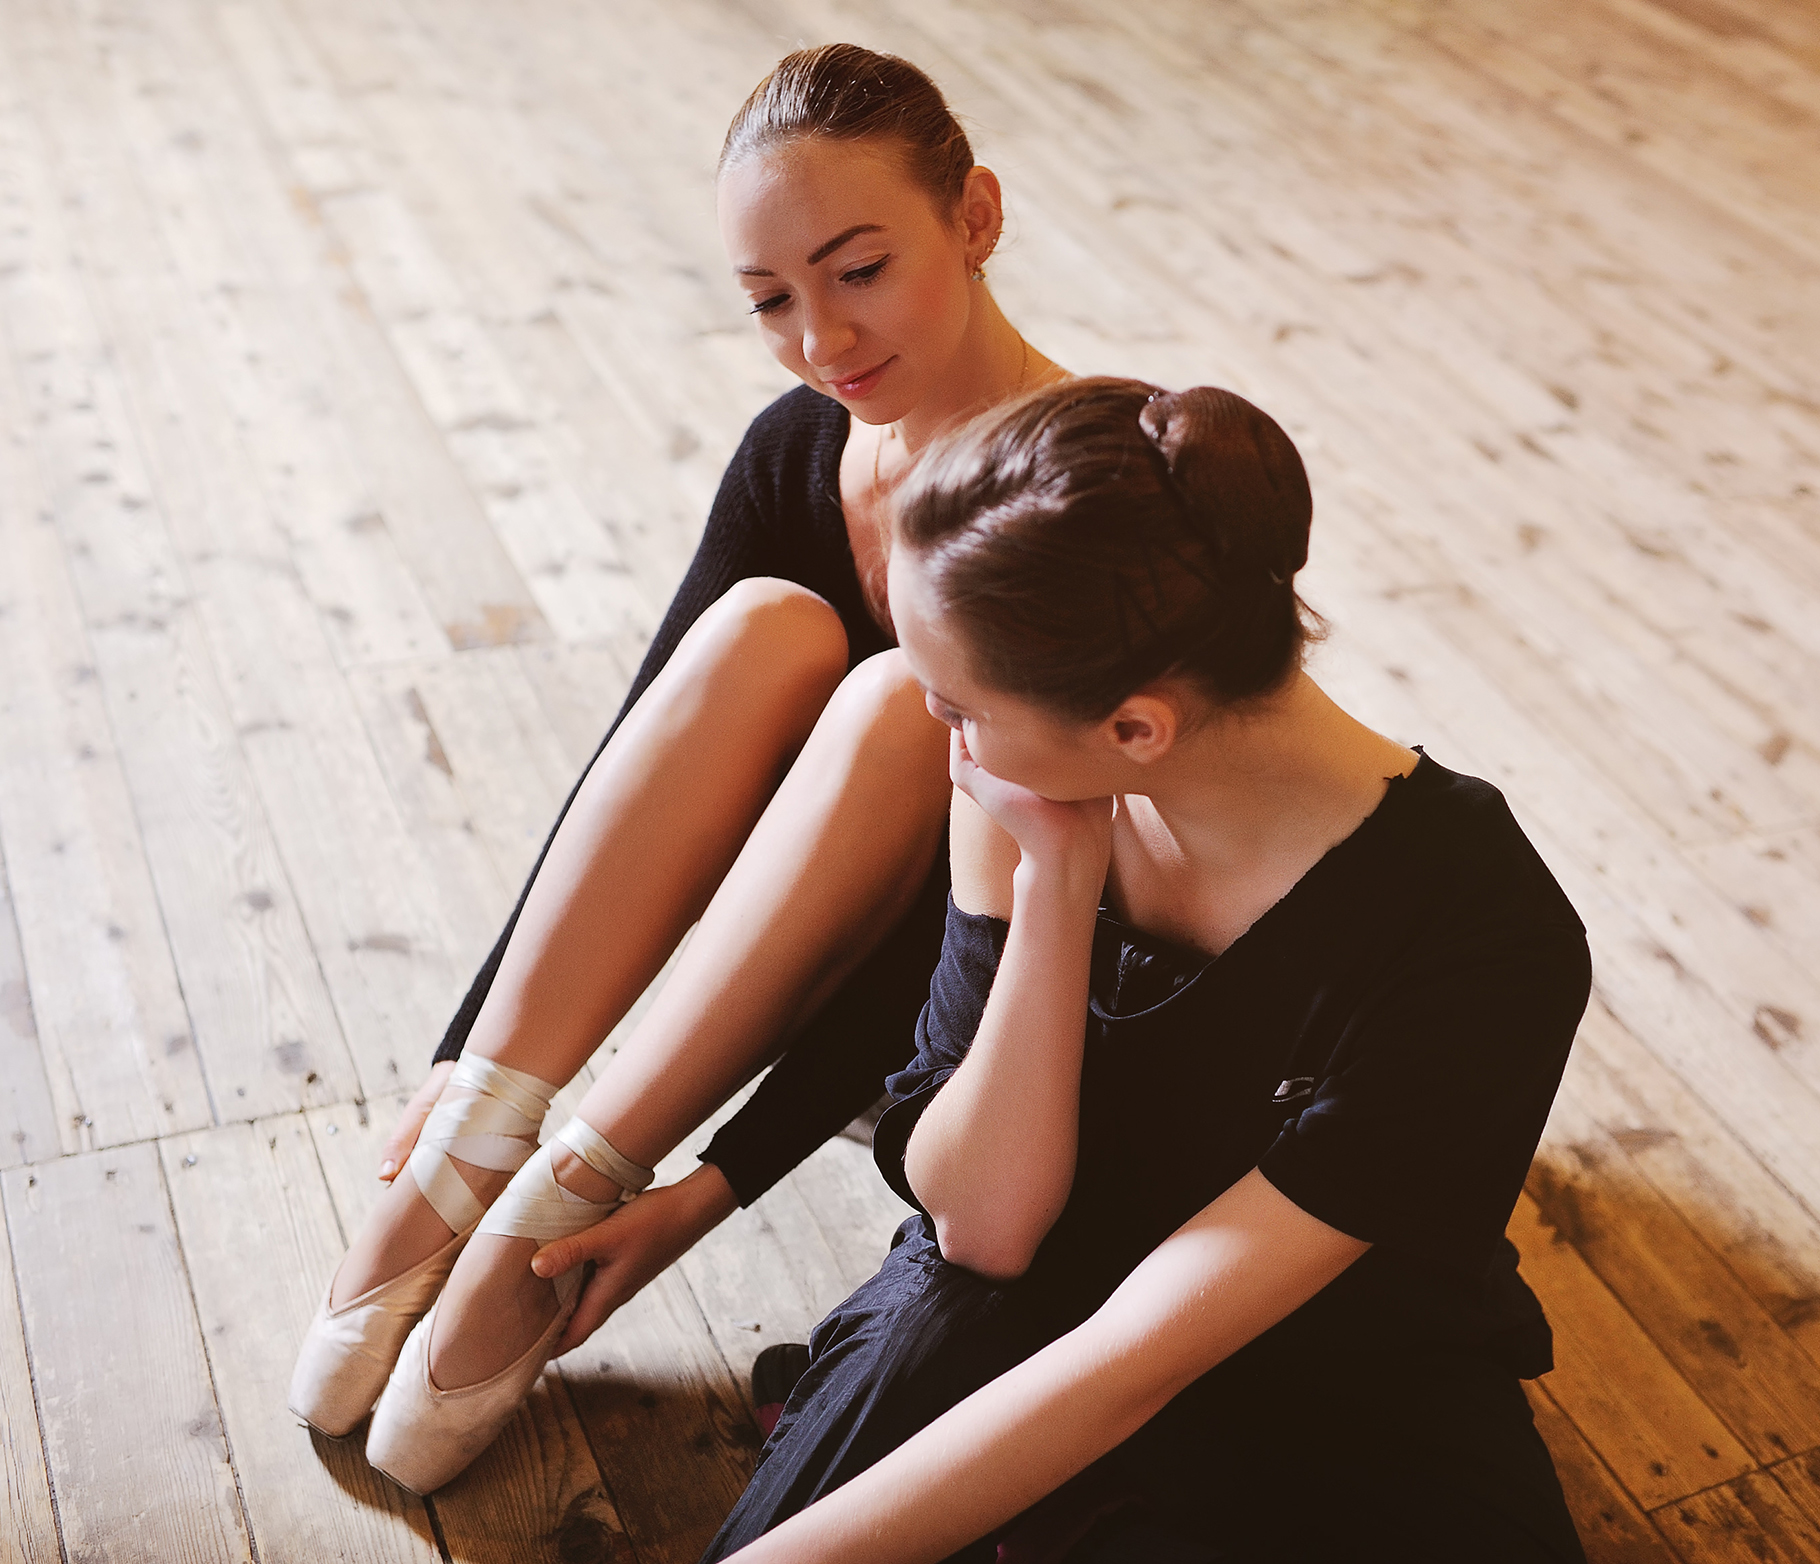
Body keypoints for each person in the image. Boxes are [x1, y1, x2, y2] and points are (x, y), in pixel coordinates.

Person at [287, 43, 1067, 1494]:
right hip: (792, 946)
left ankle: (559, 1206)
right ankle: (475, 1146)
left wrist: (701, 1196)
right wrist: (468, 1048)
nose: (823, 338)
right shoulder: (803, 447)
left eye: (860, 270)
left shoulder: (1063, 504)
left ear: (975, 217)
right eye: (772, 300)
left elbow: (977, 956)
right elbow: (637, 760)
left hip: (1013, 1029)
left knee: (909, 699)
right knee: (765, 628)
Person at [693, 377, 1593, 1562]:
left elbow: (1139, 1358)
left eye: (954, 699)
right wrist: (1055, 885)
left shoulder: (1481, 933)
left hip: (1331, 1362)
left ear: (1132, 728)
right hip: (1003, 1298)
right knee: (930, 1349)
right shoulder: (1028, 786)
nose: (930, 720)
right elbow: (986, 1227)